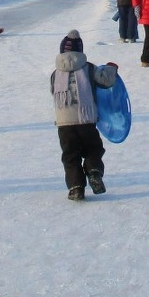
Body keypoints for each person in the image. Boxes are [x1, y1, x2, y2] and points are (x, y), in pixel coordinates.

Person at [51, 30, 118, 200]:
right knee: (93, 148)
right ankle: (94, 171)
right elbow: (106, 81)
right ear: (80, 51)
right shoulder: (88, 68)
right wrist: (112, 68)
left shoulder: (54, 74)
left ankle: (76, 188)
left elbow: (53, 91)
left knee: (70, 156)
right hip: (86, 120)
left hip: (64, 123)